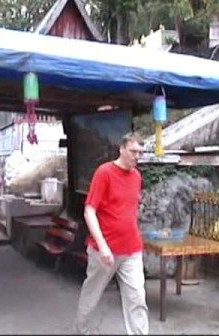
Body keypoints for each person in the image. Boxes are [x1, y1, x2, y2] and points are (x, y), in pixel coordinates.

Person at [75, 132, 148, 335]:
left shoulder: (136, 176)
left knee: (137, 298)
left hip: (132, 248)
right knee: (92, 295)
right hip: (103, 251)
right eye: (133, 151)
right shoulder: (104, 173)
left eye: (140, 153)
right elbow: (89, 210)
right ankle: (83, 331)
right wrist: (103, 244)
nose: (137, 156)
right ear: (122, 149)